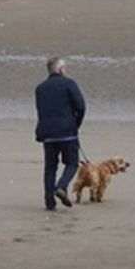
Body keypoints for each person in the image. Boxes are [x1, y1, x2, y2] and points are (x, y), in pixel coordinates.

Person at [35, 56, 86, 211]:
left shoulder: (40, 88)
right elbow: (81, 106)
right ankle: (62, 186)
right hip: (67, 131)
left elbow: (41, 110)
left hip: (47, 132)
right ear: (60, 69)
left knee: (50, 167)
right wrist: (76, 124)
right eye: (64, 67)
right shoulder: (69, 83)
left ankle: (49, 202)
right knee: (72, 163)